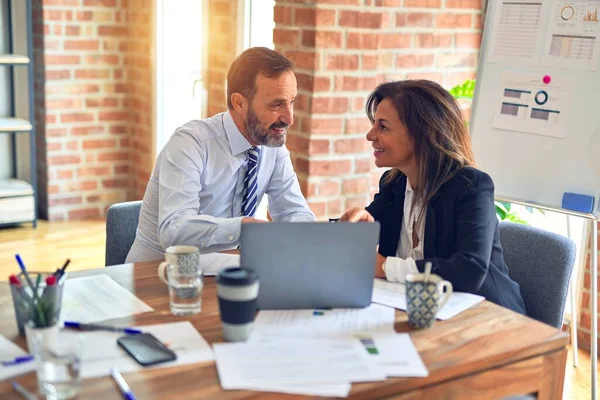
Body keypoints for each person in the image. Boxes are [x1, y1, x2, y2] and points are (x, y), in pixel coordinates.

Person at [340, 80, 526, 314]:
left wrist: (387, 268)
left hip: (488, 315)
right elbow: (366, 229)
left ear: (421, 134)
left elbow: (470, 269)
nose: (370, 135)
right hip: (424, 311)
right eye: (373, 124)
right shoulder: (394, 184)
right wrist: (350, 229)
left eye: (383, 127)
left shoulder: (471, 187)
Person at [126, 47, 315, 263]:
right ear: (239, 103)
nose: (289, 118)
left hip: (224, 271)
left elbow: (295, 211)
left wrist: (301, 231)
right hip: (156, 275)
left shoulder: (273, 149)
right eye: (276, 104)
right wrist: (243, 228)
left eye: (291, 102)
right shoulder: (190, 143)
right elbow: (174, 230)